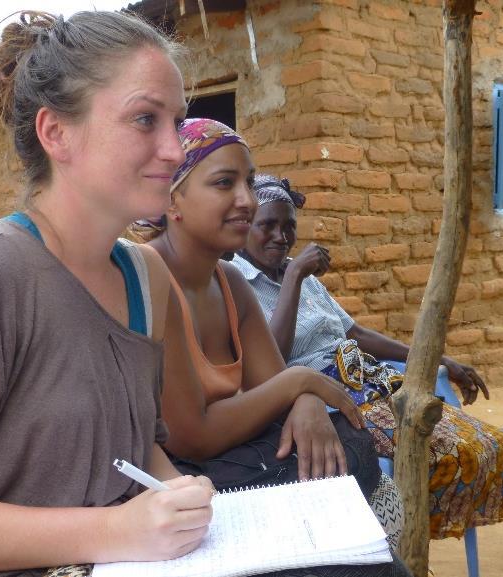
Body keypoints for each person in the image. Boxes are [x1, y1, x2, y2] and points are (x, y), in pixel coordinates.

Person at [0, 11, 215, 577]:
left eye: (178, 121)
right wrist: (114, 531)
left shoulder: (146, 278)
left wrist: (177, 493)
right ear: (56, 134)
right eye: (146, 119)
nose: (176, 150)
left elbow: (132, 445)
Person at [143, 118, 410, 575]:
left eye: (247, 181)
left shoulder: (228, 282)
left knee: (353, 447)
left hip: (235, 449)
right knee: (344, 489)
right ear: (171, 200)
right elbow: (195, 434)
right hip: (178, 472)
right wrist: (301, 382)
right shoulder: (152, 276)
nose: (245, 200)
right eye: (224, 183)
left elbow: (273, 381)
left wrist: (303, 398)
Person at [232, 172, 503, 540]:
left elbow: (354, 333)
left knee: (495, 447)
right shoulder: (237, 282)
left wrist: (436, 358)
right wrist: (293, 275)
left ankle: (413, 537)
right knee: (445, 456)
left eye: (288, 226)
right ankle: (401, 541)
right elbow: (271, 360)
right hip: (326, 400)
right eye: (267, 225)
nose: (281, 236)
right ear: (246, 227)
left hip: (372, 381)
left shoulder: (304, 277)